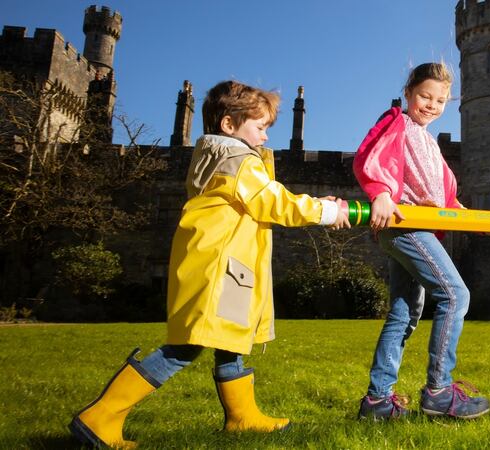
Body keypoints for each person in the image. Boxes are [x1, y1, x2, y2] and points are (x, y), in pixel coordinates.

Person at [69, 80, 350, 447]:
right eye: (260, 126)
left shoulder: (219, 159)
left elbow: (260, 198)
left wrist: (315, 202)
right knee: (185, 347)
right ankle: (100, 416)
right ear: (229, 125)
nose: (265, 136)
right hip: (222, 269)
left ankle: (242, 417)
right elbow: (272, 201)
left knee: (231, 342)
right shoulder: (237, 160)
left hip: (229, 268)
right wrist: (326, 212)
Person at [353, 62, 490, 420]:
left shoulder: (430, 144)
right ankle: (439, 391)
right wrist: (381, 194)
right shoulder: (396, 122)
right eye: (425, 96)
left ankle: (378, 401)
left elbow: (449, 203)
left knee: (404, 313)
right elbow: (371, 156)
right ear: (408, 93)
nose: (431, 105)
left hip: (417, 228)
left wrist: (487, 225)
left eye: (440, 101)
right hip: (405, 226)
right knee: (455, 295)